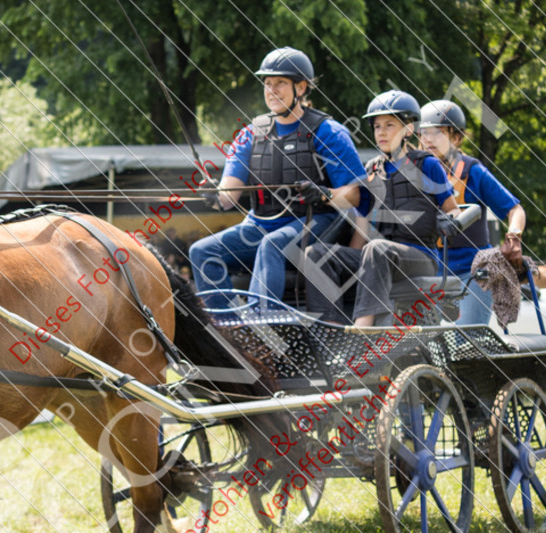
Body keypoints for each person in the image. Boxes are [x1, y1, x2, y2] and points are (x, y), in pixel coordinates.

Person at [189, 47, 366, 308]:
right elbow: (228, 197)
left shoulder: (329, 132)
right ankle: (228, 328)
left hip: (316, 222)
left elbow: (355, 195)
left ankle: (264, 328)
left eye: (280, 83)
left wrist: (324, 194)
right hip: (260, 224)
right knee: (202, 251)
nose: (271, 90)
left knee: (272, 244)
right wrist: (215, 195)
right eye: (267, 83)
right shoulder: (249, 134)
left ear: (301, 87)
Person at [334, 90, 459, 327]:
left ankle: (366, 330)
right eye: (377, 126)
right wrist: (352, 258)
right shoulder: (371, 170)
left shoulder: (427, 165)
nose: (381, 131)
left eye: (390, 125)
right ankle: (329, 330)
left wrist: (450, 221)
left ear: (409, 129)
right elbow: (363, 222)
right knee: (321, 254)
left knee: (378, 249)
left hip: (421, 256)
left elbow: (452, 208)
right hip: (379, 255)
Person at [419, 99, 526, 324]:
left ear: (456, 138)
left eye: (437, 133)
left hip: (473, 273)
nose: (428, 139)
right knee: (425, 342)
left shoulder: (473, 172)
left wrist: (514, 236)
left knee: (467, 341)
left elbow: (515, 209)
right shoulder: (413, 173)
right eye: (423, 133)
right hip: (430, 273)